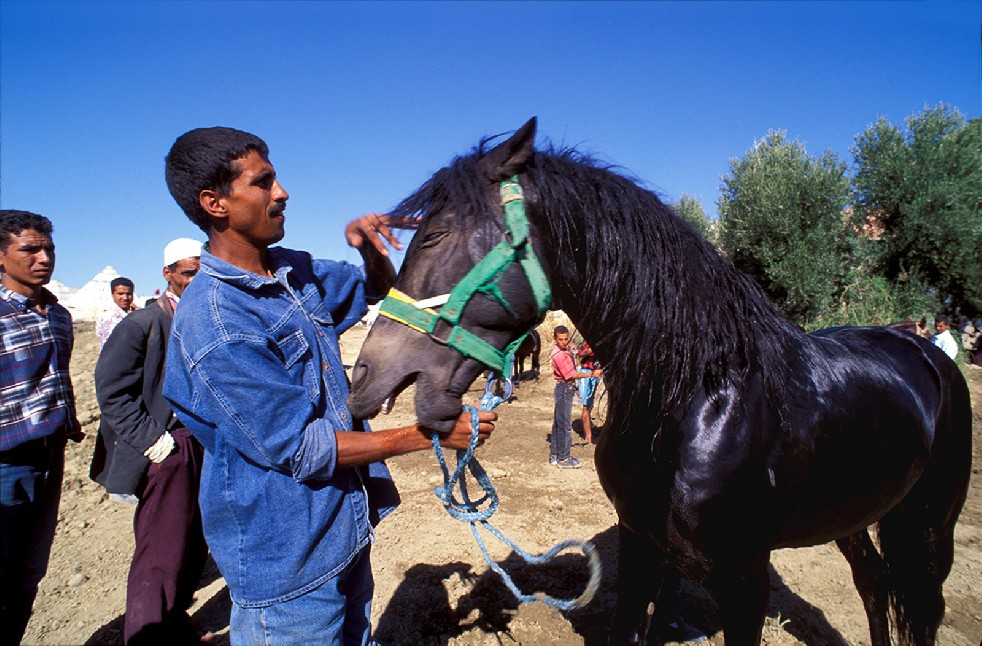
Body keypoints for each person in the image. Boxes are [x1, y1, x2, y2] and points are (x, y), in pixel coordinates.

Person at [162, 126, 496, 644]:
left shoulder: (293, 271)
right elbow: (302, 448)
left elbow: (380, 290)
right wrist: (429, 433)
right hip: (288, 560)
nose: (283, 192)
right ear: (216, 203)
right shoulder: (216, 322)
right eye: (264, 181)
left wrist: (368, 249)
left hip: (342, 528)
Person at [89, 238, 209, 644]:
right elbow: (110, 390)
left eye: (203, 272)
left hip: (203, 445)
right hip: (168, 447)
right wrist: (152, 441)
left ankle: (177, 629)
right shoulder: (143, 323)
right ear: (169, 275)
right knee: (161, 551)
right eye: (190, 273)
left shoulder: (210, 317)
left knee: (192, 545)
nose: (197, 281)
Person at [0, 210, 82, 645]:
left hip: (49, 457)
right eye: (29, 249)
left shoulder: (58, 314)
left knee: (28, 573)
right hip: (4, 461)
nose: (43, 258)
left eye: (48, 248)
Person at [549, 326, 600, 468]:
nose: (564, 342)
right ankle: (564, 458)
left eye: (566, 339)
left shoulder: (562, 350)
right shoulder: (559, 354)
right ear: (555, 339)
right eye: (560, 339)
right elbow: (571, 375)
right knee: (565, 425)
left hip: (565, 388)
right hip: (564, 389)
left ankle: (555, 455)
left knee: (558, 423)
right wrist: (591, 374)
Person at [96, 276, 138, 348]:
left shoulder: (136, 313)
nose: (125, 298)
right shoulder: (108, 317)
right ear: (113, 294)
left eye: (129, 294)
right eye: (120, 294)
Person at [575, 341, 601, 444]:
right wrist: (591, 350)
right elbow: (580, 353)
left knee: (590, 404)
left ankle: (589, 433)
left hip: (595, 374)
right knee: (586, 405)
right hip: (587, 374)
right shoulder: (588, 343)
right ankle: (588, 436)